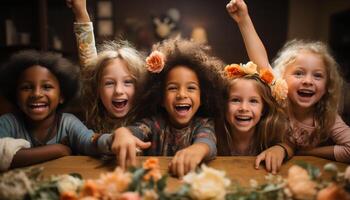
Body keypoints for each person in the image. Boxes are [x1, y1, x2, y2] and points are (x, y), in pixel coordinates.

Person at [227, 0, 350, 163]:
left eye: (318, 76)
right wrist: (243, 19)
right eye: (299, 73)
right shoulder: (280, 97)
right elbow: (260, 61)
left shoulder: (328, 117)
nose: (308, 81)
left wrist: (308, 152)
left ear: (327, 86)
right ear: (282, 79)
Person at [111, 37, 225, 177]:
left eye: (191, 88)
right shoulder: (154, 124)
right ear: (161, 98)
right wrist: (122, 133)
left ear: (203, 97)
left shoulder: (203, 124)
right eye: (172, 88)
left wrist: (198, 149)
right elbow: (134, 131)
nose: (181, 94)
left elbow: (207, 141)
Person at [0, 50, 112, 170]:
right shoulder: (8, 123)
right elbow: (2, 155)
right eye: (26, 87)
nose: (36, 94)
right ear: (15, 96)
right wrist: (58, 150)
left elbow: (89, 142)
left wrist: (113, 139)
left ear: (61, 96)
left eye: (47, 87)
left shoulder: (67, 123)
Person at [67, 0, 147, 133]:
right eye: (109, 83)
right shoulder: (95, 111)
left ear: (140, 86)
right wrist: (81, 12)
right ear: (97, 87)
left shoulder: (147, 117)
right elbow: (87, 60)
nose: (118, 90)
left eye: (128, 82)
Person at [218, 61, 291, 174]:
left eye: (253, 101)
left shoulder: (269, 133)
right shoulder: (215, 135)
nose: (243, 108)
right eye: (235, 100)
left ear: (264, 109)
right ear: (224, 105)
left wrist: (280, 149)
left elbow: (291, 145)